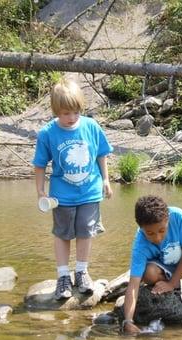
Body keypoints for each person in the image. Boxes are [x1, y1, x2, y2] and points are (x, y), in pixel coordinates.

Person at [32, 77, 113, 300]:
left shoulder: (91, 126)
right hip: (62, 195)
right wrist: (40, 191)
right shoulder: (48, 133)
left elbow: (101, 154)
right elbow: (39, 164)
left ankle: (82, 271)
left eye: (76, 112)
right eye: (66, 113)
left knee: (86, 231)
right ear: (56, 111)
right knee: (63, 233)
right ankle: (63, 276)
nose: (71, 118)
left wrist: (106, 179)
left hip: (90, 192)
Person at [122, 195, 182, 334]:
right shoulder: (140, 245)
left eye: (162, 230)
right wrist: (128, 321)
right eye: (150, 233)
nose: (157, 238)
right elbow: (133, 285)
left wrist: (172, 283)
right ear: (141, 228)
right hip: (164, 267)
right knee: (147, 274)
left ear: (168, 220)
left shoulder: (178, 216)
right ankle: (176, 287)